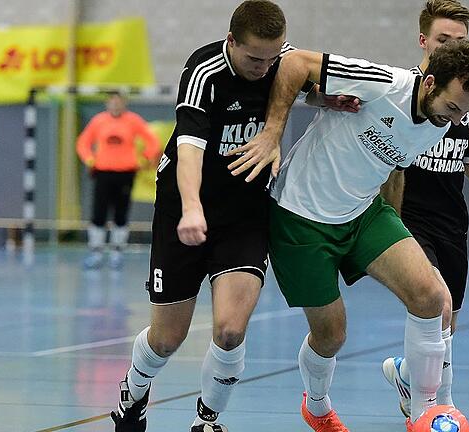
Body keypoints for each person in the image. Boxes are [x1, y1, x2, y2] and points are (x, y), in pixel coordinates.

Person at [109, 2, 359, 432]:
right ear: (231, 42)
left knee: (229, 331)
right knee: (167, 338)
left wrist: (327, 99)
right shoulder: (204, 74)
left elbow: (302, 83)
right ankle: (134, 387)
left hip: (244, 216)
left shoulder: (281, 60)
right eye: (254, 58)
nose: (264, 67)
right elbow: (188, 148)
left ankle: (207, 421)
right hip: (185, 210)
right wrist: (191, 210)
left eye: (272, 57)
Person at [227, 39, 469, 430]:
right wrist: (272, 133)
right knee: (331, 335)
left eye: (463, 113)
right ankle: (316, 406)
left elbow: (394, 170)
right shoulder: (382, 82)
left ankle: (424, 414)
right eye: (452, 107)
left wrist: (396, 238)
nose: (454, 120)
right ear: (430, 82)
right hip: (302, 218)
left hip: (365, 212)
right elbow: (295, 63)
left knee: (432, 296)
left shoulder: (439, 123)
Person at [378, 0, 469, 420]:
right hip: (407, 216)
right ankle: (437, 409)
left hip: (451, 219)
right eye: (444, 40)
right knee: (434, 303)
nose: (452, 49)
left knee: (448, 322)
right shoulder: (401, 90)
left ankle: (408, 374)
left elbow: (464, 155)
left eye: (461, 41)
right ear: (423, 40)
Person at [76, 91, 161, 270]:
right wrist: (89, 158)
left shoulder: (133, 121)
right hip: (103, 173)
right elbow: (83, 142)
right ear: (107, 103)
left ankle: (117, 252)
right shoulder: (99, 121)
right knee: (99, 213)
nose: (115, 105)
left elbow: (152, 141)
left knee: (120, 214)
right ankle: (96, 252)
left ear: (124, 103)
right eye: (112, 102)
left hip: (125, 174)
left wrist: (144, 158)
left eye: (118, 102)